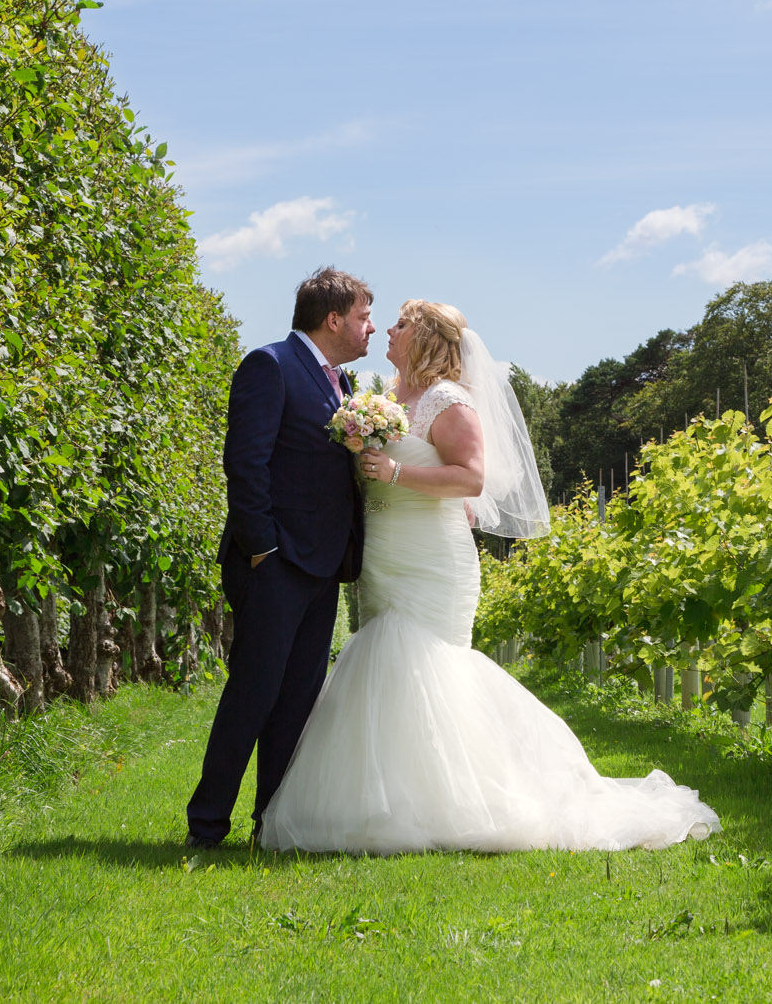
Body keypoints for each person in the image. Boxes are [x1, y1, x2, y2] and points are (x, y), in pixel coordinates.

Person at [259, 299, 719, 853]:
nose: (388, 330)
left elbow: (471, 478)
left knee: (427, 665)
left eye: (401, 324)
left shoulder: (448, 401)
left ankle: (462, 802)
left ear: (425, 337)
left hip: (432, 558)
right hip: (384, 554)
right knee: (388, 670)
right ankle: (395, 799)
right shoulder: (383, 399)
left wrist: (397, 470)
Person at [185, 268, 376, 848]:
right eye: (365, 316)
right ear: (334, 319)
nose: (370, 328)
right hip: (275, 564)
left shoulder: (341, 384)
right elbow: (245, 464)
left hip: (322, 567)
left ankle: (272, 820)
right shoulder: (269, 365)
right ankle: (207, 824)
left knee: (296, 700)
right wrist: (263, 549)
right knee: (253, 694)